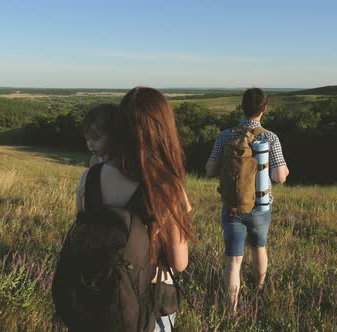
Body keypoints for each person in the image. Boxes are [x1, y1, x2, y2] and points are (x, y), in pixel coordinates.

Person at [75, 87, 193, 331]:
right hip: (150, 302)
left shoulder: (90, 178)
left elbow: (82, 232)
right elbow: (179, 262)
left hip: (97, 297)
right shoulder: (167, 187)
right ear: (164, 130)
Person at [205, 87, 289, 313]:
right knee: (259, 249)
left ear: (242, 108)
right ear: (264, 109)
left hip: (232, 206)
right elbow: (279, 177)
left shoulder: (225, 136)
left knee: (233, 261)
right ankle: (259, 290)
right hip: (261, 207)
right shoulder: (270, 137)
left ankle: (231, 310)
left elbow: (209, 169)